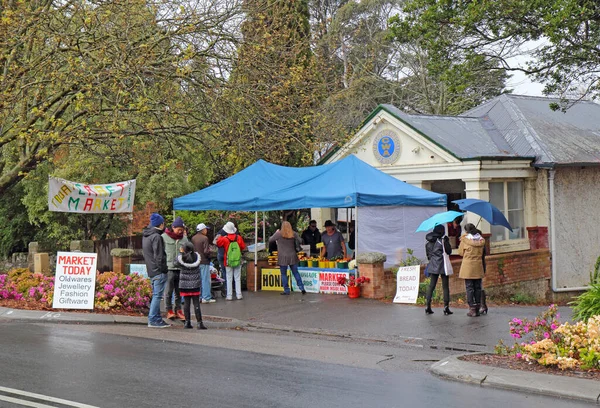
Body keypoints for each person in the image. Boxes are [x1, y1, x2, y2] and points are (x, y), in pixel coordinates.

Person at [142, 213, 170, 328]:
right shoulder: (157, 237)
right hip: (158, 271)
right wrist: (164, 269)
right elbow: (159, 256)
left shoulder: (146, 236)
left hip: (151, 269)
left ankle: (157, 318)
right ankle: (153, 319)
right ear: (161, 224)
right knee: (157, 296)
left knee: (156, 295)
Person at [174, 242, 207, 330]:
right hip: (195, 284)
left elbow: (175, 263)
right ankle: (200, 323)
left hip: (184, 284)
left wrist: (180, 253)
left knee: (186, 303)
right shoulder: (196, 257)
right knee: (196, 303)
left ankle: (187, 322)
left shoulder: (181, 258)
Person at [162, 216, 189, 320]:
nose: (180, 231)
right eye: (178, 229)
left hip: (180, 268)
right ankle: (169, 310)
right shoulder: (164, 237)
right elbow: (161, 253)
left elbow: (188, 252)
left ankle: (178, 310)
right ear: (173, 227)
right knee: (168, 291)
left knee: (179, 292)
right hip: (169, 268)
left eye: (182, 230)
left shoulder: (184, 239)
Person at [269, 221, 306, 296]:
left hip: (282, 256)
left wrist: (275, 232)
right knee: (295, 272)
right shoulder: (293, 233)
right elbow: (301, 241)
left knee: (283, 274)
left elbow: (270, 240)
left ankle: (286, 290)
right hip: (292, 256)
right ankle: (302, 288)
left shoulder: (279, 234)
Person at [458, 223, 486, 317]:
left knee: (469, 287)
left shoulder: (465, 240)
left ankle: (472, 308)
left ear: (466, 231)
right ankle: (478, 306)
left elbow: (460, 253)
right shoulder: (481, 240)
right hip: (478, 265)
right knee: (477, 286)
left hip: (468, 266)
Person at [424, 224, 453, 315]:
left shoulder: (428, 243)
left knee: (431, 286)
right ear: (441, 231)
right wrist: (447, 241)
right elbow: (449, 251)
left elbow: (428, 256)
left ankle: (427, 306)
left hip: (433, 265)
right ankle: (446, 307)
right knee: (445, 287)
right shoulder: (443, 241)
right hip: (443, 266)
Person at [216, 222, 247, 301]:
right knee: (237, 277)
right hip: (237, 260)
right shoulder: (238, 237)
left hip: (228, 260)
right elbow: (243, 247)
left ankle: (229, 295)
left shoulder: (225, 238)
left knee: (229, 277)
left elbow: (218, 243)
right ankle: (239, 294)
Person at [192, 223, 214, 304]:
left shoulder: (193, 238)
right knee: (205, 279)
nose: (206, 230)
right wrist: (210, 253)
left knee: (199, 279)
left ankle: (200, 296)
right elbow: (206, 251)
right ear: (203, 230)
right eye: (206, 229)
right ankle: (206, 297)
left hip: (196, 261)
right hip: (204, 261)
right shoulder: (205, 238)